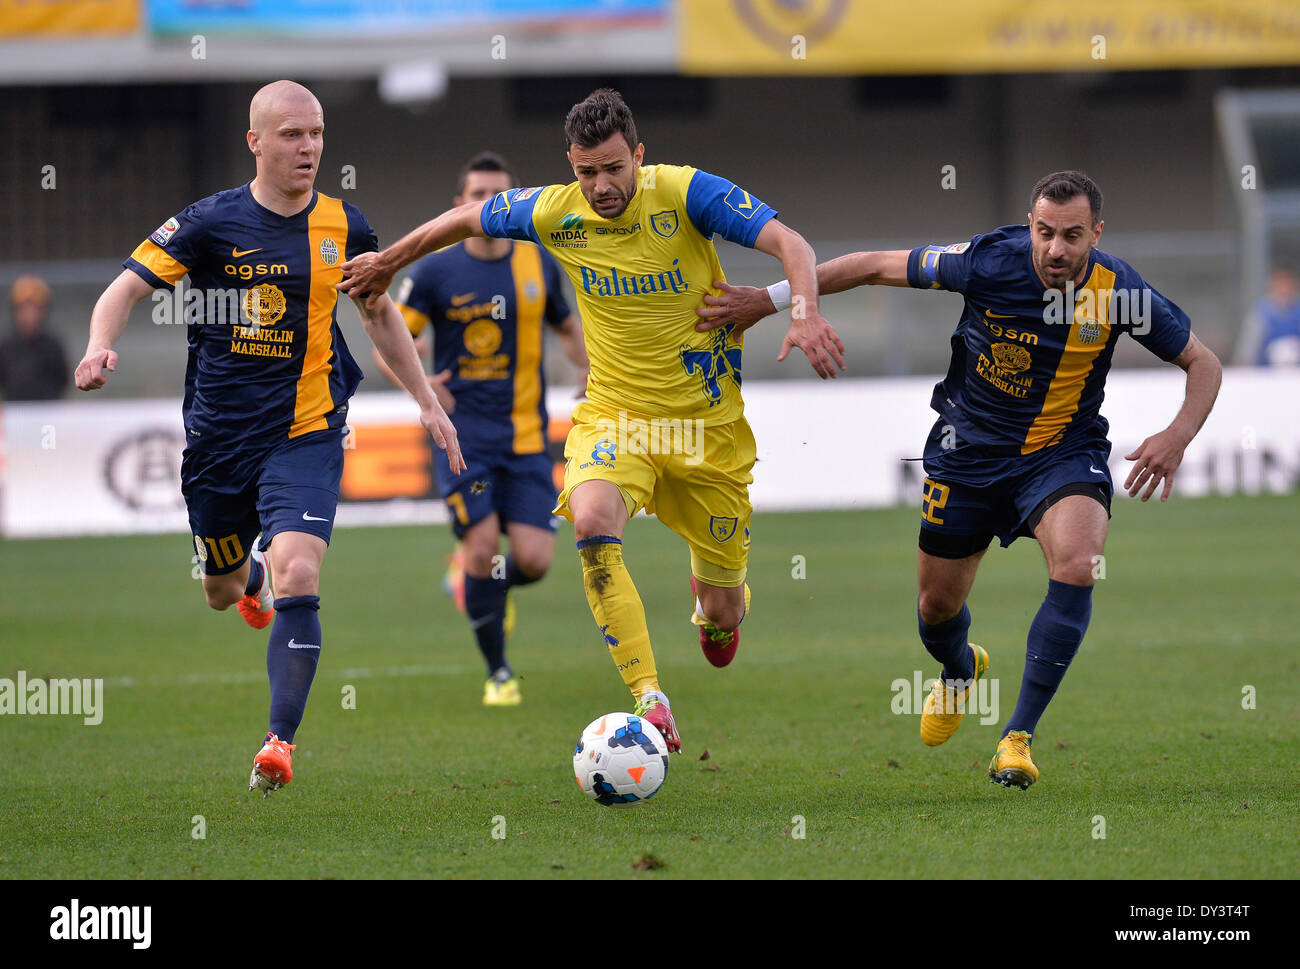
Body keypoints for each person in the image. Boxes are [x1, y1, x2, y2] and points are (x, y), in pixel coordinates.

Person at [340, 88, 844, 752]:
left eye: (613, 168)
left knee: (722, 617)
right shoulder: (556, 211)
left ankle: (717, 606)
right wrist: (387, 262)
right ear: (570, 166)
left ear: (639, 155)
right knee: (592, 522)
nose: (601, 186)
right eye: (586, 172)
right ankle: (650, 698)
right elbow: (464, 219)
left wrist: (802, 312)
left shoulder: (687, 193)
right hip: (616, 419)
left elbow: (791, 243)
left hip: (706, 432)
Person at [697, 170, 1222, 788]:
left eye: (1072, 236)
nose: (1055, 249)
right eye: (1045, 232)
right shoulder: (987, 261)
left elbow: (1202, 362)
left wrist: (1178, 435)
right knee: (936, 608)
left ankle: (1017, 739)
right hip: (966, 454)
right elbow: (873, 266)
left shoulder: (1120, 291)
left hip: (1061, 453)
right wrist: (772, 300)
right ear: (1030, 225)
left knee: (1080, 564)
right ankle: (959, 669)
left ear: (1096, 234)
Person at [74, 80, 463, 797]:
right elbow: (124, 288)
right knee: (220, 590)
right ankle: (248, 580)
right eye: (291, 135)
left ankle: (278, 742)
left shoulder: (346, 225)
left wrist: (426, 400)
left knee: (301, 571)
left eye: (316, 134)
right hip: (220, 442)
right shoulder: (207, 223)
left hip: (308, 431)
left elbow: (378, 314)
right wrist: (99, 345)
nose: (308, 148)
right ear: (255, 142)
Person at [372, 150, 589, 706]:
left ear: (515, 203)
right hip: (462, 440)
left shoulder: (536, 263)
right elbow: (388, 344)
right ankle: (499, 673)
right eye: (477, 195)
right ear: (458, 204)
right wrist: (422, 385)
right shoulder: (433, 271)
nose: (487, 204)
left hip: (527, 440)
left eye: (498, 195)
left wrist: (589, 369)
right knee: (486, 548)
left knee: (534, 561)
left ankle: (468, 581)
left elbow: (568, 327)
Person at [0, 274, 70, 401]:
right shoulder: (6, 345)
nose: (30, 314)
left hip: (48, 410)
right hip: (14, 410)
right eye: (24, 308)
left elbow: (63, 380)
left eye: (36, 308)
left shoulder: (53, 344)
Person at [1242, 267, 1300, 366]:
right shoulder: (1261, 313)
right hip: (1267, 372)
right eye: (1280, 284)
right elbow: (1248, 349)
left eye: (1287, 284)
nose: (1284, 289)